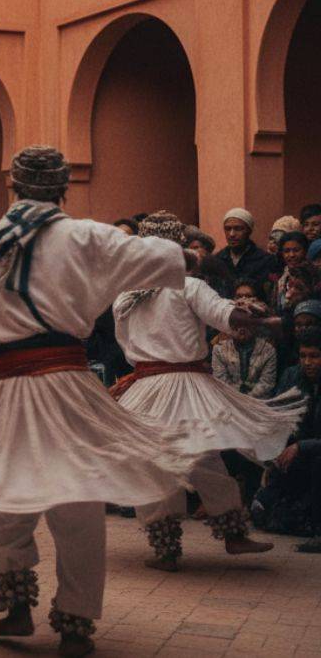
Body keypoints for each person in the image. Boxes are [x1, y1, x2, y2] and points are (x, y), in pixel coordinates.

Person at [0, 146, 201, 657]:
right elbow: (166, 257)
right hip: (67, 381)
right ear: (63, 190)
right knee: (79, 503)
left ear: (13, 189)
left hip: (11, 386)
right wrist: (188, 256)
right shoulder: (86, 235)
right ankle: (77, 625)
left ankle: (17, 603)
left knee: (4, 495)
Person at [111, 212, 296, 571]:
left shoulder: (126, 297)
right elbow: (225, 316)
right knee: (200, 456)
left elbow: (126, 344)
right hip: (178, 384)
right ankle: (229, 533)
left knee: (159, 463)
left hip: (149, 386)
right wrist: (264, 321)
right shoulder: (187, 287)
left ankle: (170, 545)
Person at [254, 327, 321, 552]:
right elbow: (277, 419)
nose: (308, 362)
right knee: (263, 510)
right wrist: (275, 452)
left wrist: (301, 446)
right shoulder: (292, 376)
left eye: (315, 356)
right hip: (298, 453)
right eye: (304, 356)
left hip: (313, 453)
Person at [212, 280, 278, 399]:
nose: (243, 300)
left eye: (248, 296)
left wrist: (247, 402)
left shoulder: (268, 349)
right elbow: (221, 382)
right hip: (230, 402)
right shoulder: (219, 348)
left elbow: (266, 384)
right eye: (239, 296)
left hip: (258, 404)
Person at [217, 207, 278, 297]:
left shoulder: (265, 260)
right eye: (228, 229)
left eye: (238, 229)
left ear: (249, 231)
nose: (232, 234)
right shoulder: (217, 260)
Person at [273, 231, 311, 312]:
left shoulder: (311, 274)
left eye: (296, 250)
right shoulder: (282, 276)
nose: (291, 255)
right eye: (287, 251)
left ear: (305, 251)